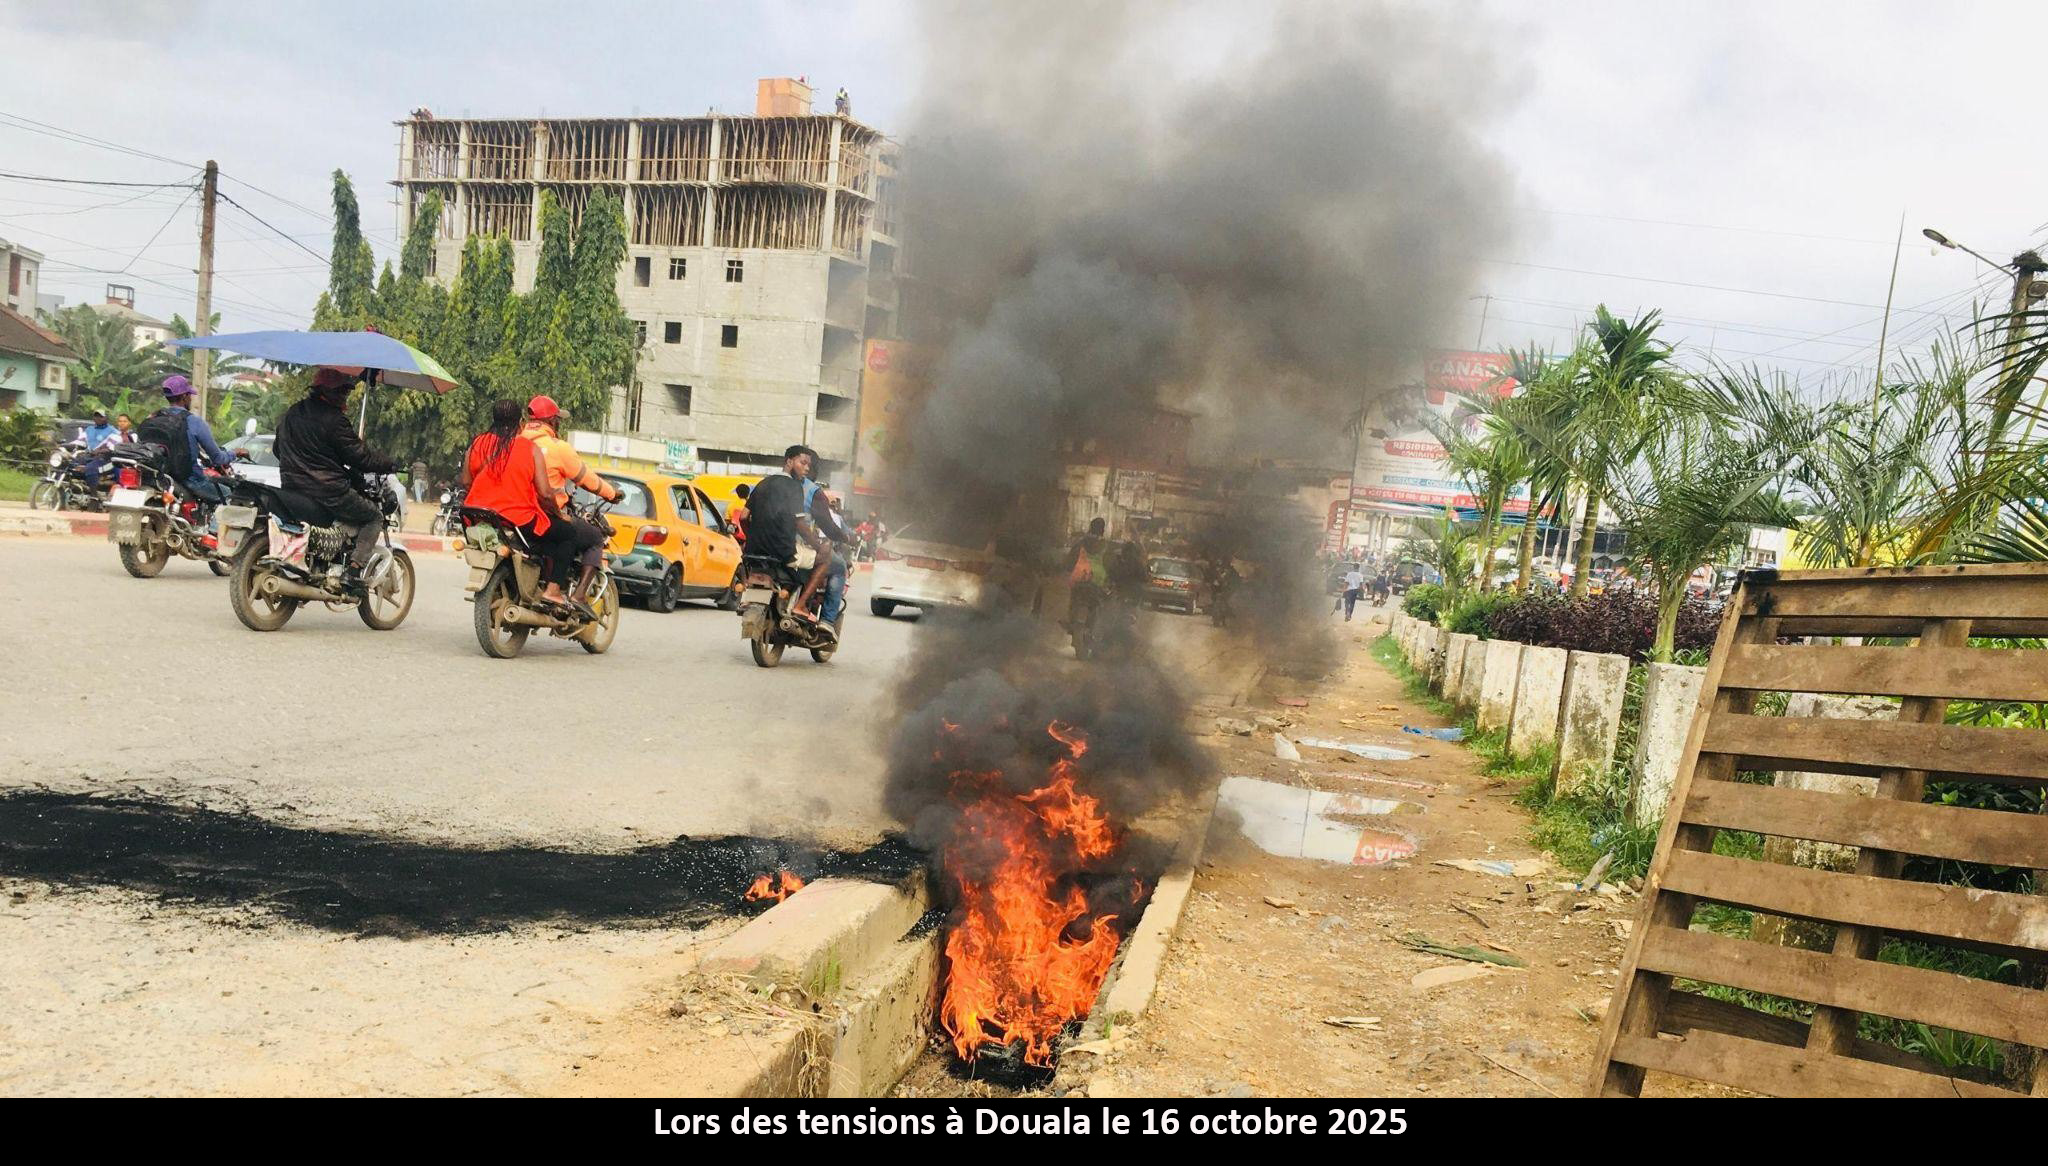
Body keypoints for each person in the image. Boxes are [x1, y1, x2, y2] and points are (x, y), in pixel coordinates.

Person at [275, 367, 400, 578]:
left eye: (346, 391)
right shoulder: (334, 420)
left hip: (292, 487)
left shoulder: (292, 412)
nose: (344, 396)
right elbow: (361, 458)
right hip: (328, 491)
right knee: (373, 517)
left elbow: (277, 449)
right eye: (341, 391)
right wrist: (389, 464)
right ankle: (353, 572)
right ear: (325, 391)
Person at [462, 399, 581, 606]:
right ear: (520, 423)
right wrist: (559, 514)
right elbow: (545, 493)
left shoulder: (477, 443)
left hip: (480, 516)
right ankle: (552, 590)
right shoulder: (529, 447)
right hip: (518, 519)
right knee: (568, 534)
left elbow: (465, 481)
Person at [520, 395, 619, 607]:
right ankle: (577, 595)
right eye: (558, 420)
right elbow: (587, 478)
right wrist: (612, 494)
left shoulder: (515, 443)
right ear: (552, 421)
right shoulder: (557, 447)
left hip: (517, 515)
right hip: (546, 515)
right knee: (592, 538)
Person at [742, 445, 834, 623]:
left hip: (754, 552)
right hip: (783, 552)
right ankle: (800, 605)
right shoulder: (794, 487)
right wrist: (818, 546)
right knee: (825, 559)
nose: (807, 468)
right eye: (803, 463)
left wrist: (751, 538)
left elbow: (744, 516)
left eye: (809, 465)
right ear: (789, 462)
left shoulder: (763, 483)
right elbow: (799, 524)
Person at [137, 375, 238, 510]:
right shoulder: (193, 421)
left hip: (158, 477)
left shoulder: (153, 417)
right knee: (230, 496)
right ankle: (214, 530)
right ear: (185, 397)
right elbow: (218, 458)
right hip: (188, 479)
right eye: (189, 395)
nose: (190, 398)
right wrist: (235, 453)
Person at [1064, 517, 1111, 635]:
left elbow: (1069, 561)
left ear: (1090, 527)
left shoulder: (1080, 543)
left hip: (1079, 578)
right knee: (1097, 604)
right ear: (1103, 530)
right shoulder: (1105, 545)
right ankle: (1093, 629)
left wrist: (1067, 568)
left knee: (1074, 599)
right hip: (1098, 580)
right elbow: (1111, 563)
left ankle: (1071, 622)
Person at [76, 409, 119, 491]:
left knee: (90, 469)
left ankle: (93, 495)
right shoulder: (89, 429)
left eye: (101, 416)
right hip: (88, 457)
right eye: (96, 416)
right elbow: (79, 442)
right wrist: (63, 447)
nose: (98, 418)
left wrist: (98, 451)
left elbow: (112, 449)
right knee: (67, 464)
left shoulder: (113, 431)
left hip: (105, 460)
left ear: (106, 418)